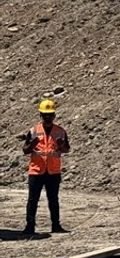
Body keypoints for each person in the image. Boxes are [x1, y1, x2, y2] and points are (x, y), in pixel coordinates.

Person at [22, 99, 70, 235]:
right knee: (32, 200)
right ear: (40, 115)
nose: (47, 117)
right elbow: (25, 150)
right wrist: (32, 144)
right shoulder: (33, 131)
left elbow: (66, 149)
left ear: (54, 115)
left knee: (53, 199)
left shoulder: (60, 131)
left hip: (53, 171)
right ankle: (29, 226)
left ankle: (56, 225)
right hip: (36, 171)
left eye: (50, 115)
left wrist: (61, 145)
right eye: (45, 115)